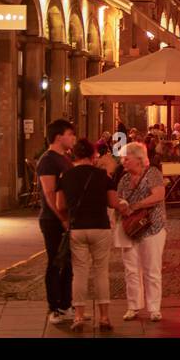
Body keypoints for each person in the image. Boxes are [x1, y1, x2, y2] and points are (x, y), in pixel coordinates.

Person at [56, 138, 121, 331]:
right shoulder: (103, 176)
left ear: (74, 155)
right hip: (100, 227)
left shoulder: (66, 176)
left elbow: (60, 205)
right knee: (101, 272)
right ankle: (104, 317)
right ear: (93, 155)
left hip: (77, 229)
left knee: (80, 273)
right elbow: (113, 203)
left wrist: (68, 219)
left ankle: (78, 316)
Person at [114, 141, 167, 321]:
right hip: (129, 227)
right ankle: (133, 306)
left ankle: (154, 308)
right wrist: (121, 206)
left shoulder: (153, 173)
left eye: (126, 158)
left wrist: (136, 206)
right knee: (131, 269)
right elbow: (118, 199)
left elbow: (158, 196)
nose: (123, 162)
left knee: (152, 268)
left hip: (152, 226)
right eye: (123, 159)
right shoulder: (124, 179)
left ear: (138, 159)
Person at [36, 119, 76, 323]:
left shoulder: (66, 158)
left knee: (68, 264)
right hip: (52, 220)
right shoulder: (48, 160)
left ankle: (66, 304)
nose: (73, 138)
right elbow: (50, 193)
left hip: (66, 219)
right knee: (55, 262)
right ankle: (54, 308)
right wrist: (62, 219)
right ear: (59, 136)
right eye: (70, 134)